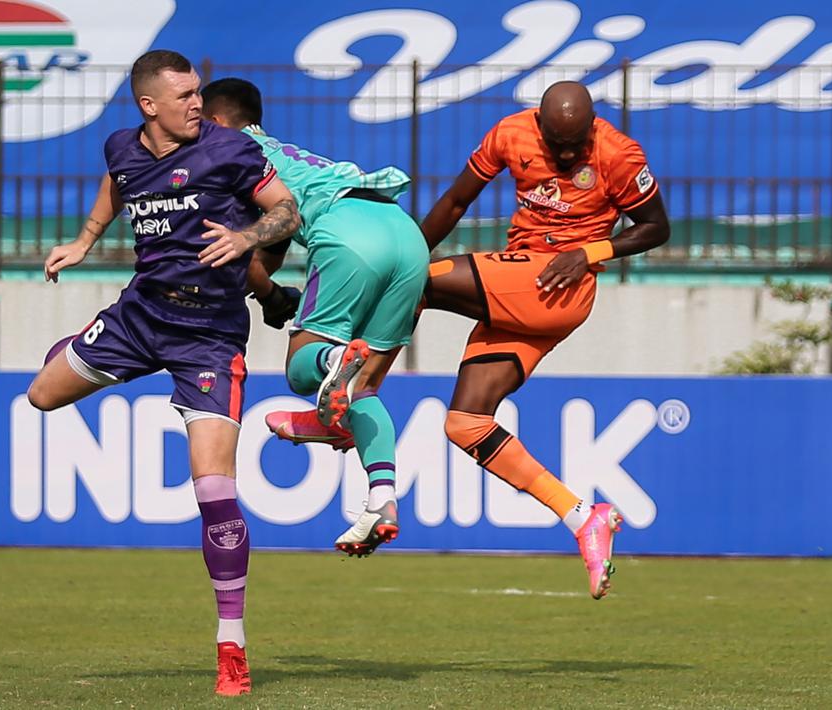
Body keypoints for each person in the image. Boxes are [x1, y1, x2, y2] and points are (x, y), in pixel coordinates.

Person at [270, 81, 670, 599]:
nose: (568, 156)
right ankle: (582, 516)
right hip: (527, 288)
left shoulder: (617, 153)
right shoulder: (510, 133)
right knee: (465, 423)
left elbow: (657, 227)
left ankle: (348, 404)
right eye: (557, 145)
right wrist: (411, 248)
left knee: (418, 282)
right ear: (540, 126)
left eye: (577, 145)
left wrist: (591, 252)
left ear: (593, 127)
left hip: (561, 284)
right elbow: (457, 200)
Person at [26, 50, 300, 697]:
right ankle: (98, 352)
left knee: (213, 491)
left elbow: (286, 210)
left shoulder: (227, 150)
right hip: (137, 319)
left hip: (208, 341)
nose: (197, 104)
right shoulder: (122, 144)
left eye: (199, 93)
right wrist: (87, 240)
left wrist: (247, 238)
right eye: (183, 96)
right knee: (40, 397)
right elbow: (115, 185)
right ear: (149, 105)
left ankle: (230, 646)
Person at [200, 78, 430, 558]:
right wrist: (269, 294)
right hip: (405, 236)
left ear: (216, 121)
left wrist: (262, 293)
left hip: (347, 234)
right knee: (361, 387)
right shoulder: (281, 155)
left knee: (303, 366)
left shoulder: (227, 151)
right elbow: (267, 254)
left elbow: (242, 251)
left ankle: (333, 360)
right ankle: (382, 500)